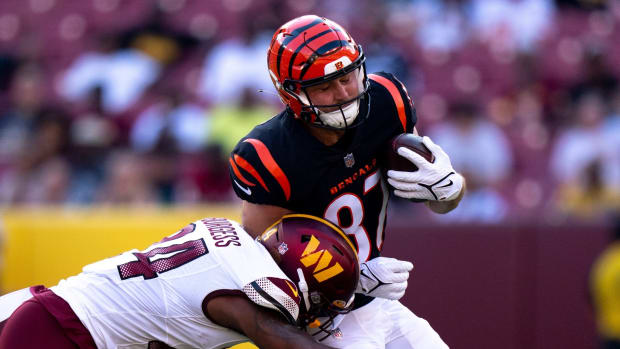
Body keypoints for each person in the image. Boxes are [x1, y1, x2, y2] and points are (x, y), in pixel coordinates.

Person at [229, 15, 466, 348]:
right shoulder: (268, 154)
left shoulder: (386, 100)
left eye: (347, 77)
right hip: (319, 320)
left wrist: (450, 189)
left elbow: (439, 204)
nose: (342, 93)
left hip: (378, 303)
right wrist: (353, 279)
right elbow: (266, 272)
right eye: (324, 86)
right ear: (291, 93)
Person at [0, 214, 359, 349]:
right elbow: (288, 343)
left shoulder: (228, 237)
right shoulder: (241, 300)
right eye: (321, 301)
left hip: (46, 311)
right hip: (60, 334)